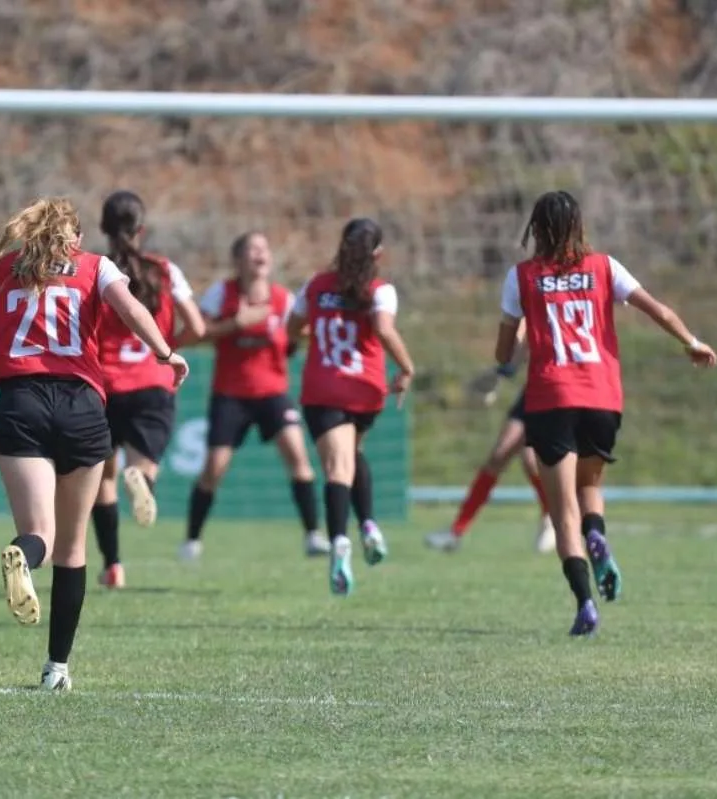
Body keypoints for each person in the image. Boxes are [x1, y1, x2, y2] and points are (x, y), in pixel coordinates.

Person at [0, 197, 188, 691]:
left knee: (39, 535)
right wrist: (166, 353)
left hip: (20, 402)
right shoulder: (94, 266)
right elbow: (131, 309)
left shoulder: (6, 268)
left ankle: (22, 552)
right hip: (82, 407)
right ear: (75, 239)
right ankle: (56, 670)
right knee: (72, 547)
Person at [496, 190, 716, 636]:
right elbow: (658, 309)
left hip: (550, 399)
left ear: (535, 229)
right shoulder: (604, 267)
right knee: (591, 483)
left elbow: (503, 354)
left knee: (563, 515)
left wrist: (519, 336)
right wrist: (692, 342)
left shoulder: (521, 277)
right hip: (601, 397)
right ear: (579, 225)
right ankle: (598, 535)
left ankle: (584, 604)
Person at [181, 232, 327, 561]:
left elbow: (296, 337)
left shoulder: (283, 299)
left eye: (265, 248)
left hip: (273, 393)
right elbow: (197, 333)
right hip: (230, 395)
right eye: (252, 249)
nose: (261, 254)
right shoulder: (223, 294)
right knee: (214, 468)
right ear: (238, 260)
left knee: (299, 458)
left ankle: (313, 535)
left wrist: (303, 336)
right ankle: (192, 540)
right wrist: (236, 323)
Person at [288, 218, 415, 596]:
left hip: (325, 389)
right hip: (366, 391)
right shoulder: (379, 290)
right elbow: (384, 328)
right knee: (352, 453)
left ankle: (340, 540)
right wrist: (407, 367)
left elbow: (292, 327)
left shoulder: (315, 285)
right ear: (379, 254)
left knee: (337, 466)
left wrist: (312, 331)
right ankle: (370, 524)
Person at [92, 191, 205, 589]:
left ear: (104, 229)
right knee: (143, 468)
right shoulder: (165, 270)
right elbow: (198, 326)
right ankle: (140, 479)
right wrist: (167, 349)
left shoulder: (94, 270)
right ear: (141, 229)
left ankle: (113, 566)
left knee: (102, 479)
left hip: (102, 385)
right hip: (152, 383)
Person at [425, 324, 556, 554]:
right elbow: (524, 341)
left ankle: (553, 518)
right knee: (498, 456)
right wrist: (501, 373)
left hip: (561, 390)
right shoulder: (532, 298)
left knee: (531, 459)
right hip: (534, 388)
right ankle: (456, 531)